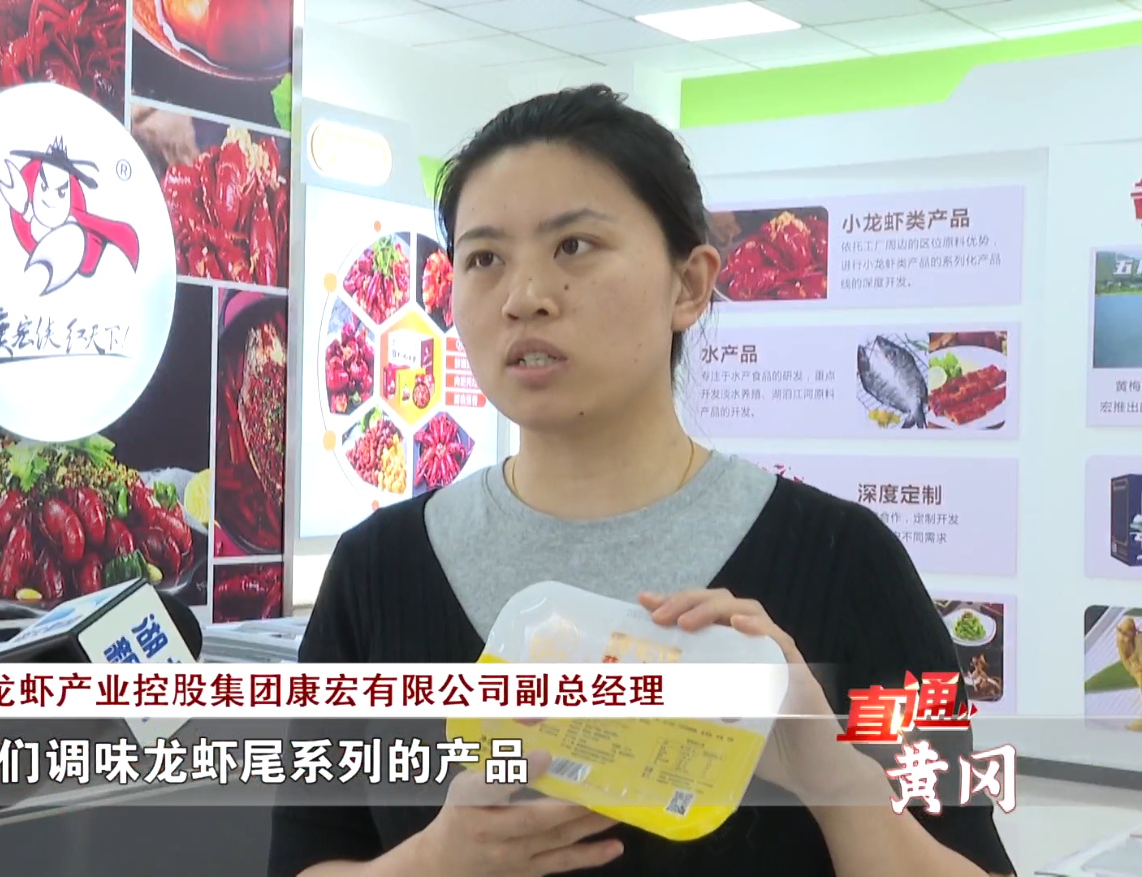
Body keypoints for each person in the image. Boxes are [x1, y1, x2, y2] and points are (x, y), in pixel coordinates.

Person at [267, 85, 1014, 877]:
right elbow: (305, 859)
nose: (524, 298)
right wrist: (436, 861)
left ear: (688, 285)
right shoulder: (380, 568)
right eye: (484, 258)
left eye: (574, 246)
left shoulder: (842, 562)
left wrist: (828, 773)